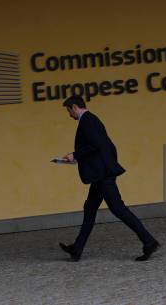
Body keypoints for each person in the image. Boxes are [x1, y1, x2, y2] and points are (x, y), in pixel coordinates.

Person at [58, 96, 160, 261]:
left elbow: (97, 145)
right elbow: (105, 146)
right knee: (90, 208)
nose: (69, 115)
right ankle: (77, 248)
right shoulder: (91, 120)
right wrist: (80, 158)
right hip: (101, 174)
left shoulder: (88, 121)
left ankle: (149, 241)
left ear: (75, 107)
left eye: (69, 111)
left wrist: (75, 154)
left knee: (118, 209)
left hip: (103, 175)